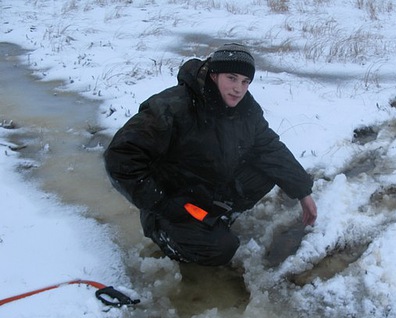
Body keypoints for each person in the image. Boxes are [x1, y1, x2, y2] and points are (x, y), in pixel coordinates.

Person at [104, 43, 317, 266]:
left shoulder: (246, 109)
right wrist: (163, 203)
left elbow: (269, 147)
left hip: (208, 190)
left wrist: (303, 191)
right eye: (232, 78)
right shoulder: (173, 107)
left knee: (267, 170)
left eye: (245, 82)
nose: (238, 89)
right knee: (222, 250)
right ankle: (168, 236)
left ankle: (217, 218)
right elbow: (120, 156)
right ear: (214, 75)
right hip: (172, 203)